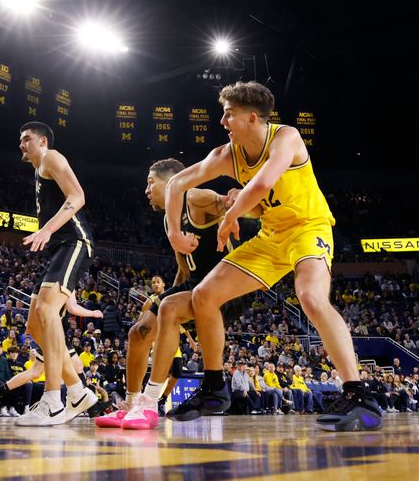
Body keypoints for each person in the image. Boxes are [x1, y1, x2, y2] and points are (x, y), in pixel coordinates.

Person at [163, 80, 381, 431]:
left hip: (308, 230)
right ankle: (214, 387)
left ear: (252, 118)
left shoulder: (287, 138)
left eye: (228, 115)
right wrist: (174, 231)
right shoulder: (226, 155)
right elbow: (176, 184)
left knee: (310, 297)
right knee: (204, 295)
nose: (222, 122)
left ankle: (359, 393)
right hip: (271, 237)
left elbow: (262, 185)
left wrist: (231, 215)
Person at [97, 158, 257, 429]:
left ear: (173, 180)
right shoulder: (169, 219)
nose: (147, 191)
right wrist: (163, 300)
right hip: (195, 283)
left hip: (228, 286)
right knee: (139, 332)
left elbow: (237, 205)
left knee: (170, 308)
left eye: (151, 183)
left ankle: (150, 404)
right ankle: (131, 404)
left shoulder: (195, 198)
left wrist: (237, 197)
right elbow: (184, 270)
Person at [15, 121, 98, 426]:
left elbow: (77, 197)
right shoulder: (38, 171)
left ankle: (53, 400)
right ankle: (77, 391)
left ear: (42, 141)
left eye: (26, 139)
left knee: (47, 311)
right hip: (60, 249)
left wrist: (47, 230)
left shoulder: (52, 157)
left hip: (74, 240)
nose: (21, 144)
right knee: (35, 324)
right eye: (21, 140)